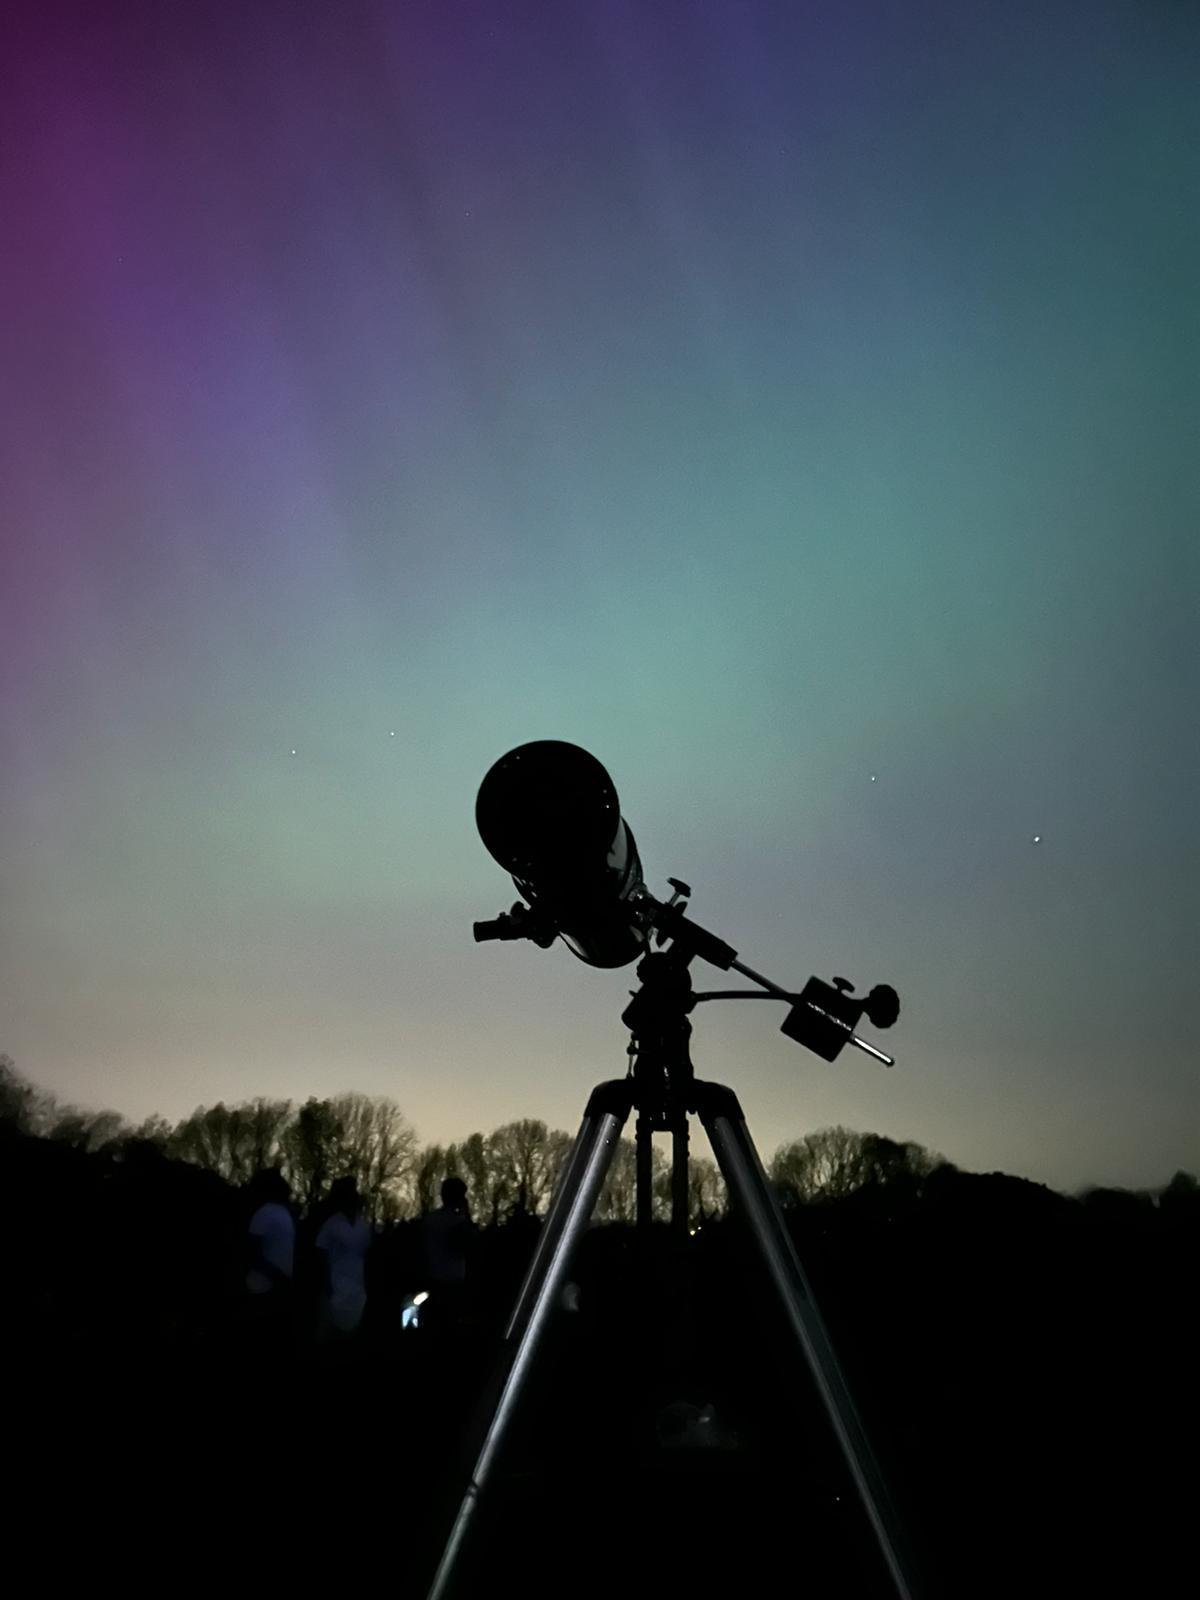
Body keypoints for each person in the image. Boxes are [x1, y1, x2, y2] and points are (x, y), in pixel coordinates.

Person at [315, 1178, 372, 1337]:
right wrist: (326, 1281)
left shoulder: (363, 1226)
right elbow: (321, 1253)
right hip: (335, 1284)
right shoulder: (331, 1224)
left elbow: (367, 1255)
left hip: (357, 1285)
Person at [421, 1176, 476, 1334]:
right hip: (452, 1284)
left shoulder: (430, 1221)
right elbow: (469, 1245)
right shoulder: (457, 1223)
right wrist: (466, 1215)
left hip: (433, 1281)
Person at [245, 1168, 295, 1298]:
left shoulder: (276, 1212)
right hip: (264, 1287)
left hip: (272, 1286)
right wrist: (278, 1277)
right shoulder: (265, 1213)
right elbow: (253, 1253)